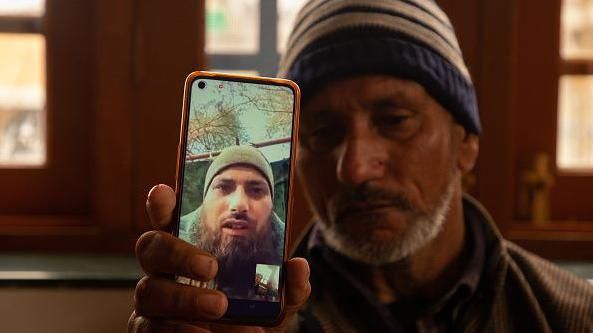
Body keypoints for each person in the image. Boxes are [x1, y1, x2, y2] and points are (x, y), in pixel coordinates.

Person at [128, 1, 593, 332]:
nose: (354, 170)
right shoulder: (254, 319)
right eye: (321, 134)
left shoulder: (570, 317)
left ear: (466, 142)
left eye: (394, 121)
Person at [177, 145, 285, 300]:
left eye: (256, 190)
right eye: (223, 187)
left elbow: (267, 300)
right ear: (204, 200)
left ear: (271, 206)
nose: (239, 205)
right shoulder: (179, 239)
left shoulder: (279, 246)